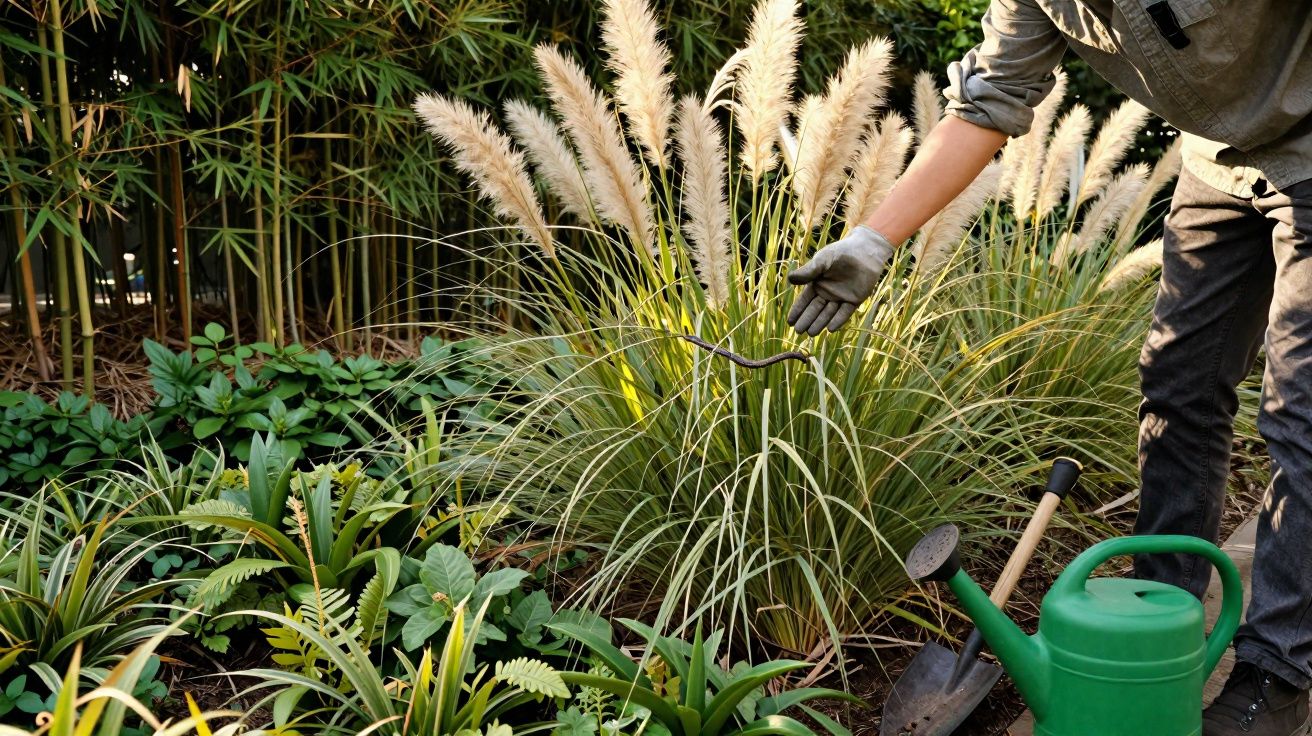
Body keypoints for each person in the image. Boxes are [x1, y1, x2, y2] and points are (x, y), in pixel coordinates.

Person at [785, 2, 1312, 734]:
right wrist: (876, 239)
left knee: (1299, 412)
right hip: (1214, 160)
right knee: (1177, 386)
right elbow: (987, 106)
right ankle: (1159, 622)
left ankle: (1276, 676)